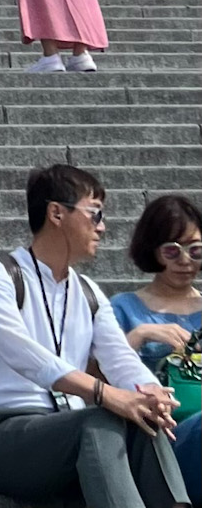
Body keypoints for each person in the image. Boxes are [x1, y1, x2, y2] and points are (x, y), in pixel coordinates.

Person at [0, 163, 181, 507]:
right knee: (98, 419)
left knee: (144, 419)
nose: (102, 227)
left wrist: (150, 392)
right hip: (2, 435)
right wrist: (103, 393)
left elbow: (119, 358)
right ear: (56, 213)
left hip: (70, 429)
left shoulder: (88, 292)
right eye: (95, 214)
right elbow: (23, 353)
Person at [110, 194, 202, 500]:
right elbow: (94, 376)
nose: (185, 261)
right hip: (160, 439)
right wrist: (139, 335)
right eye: (172, 251)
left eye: (196, 250)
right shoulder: (123, 308)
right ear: (152, 250)